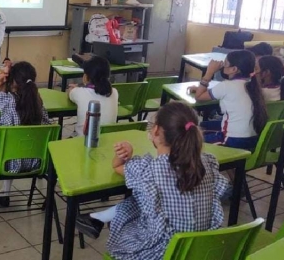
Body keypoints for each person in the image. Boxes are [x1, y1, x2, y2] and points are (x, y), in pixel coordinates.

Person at [75, 102, 229, 260]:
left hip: (163, 253)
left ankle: (99, 218)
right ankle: (98, 217)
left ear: (155, 130)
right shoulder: (207, 163)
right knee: (144, 199)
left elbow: (117, 167)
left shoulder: (148, 170)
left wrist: (126, 150)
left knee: (137, 207)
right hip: (201, 249)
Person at [0, 61, 50, 202]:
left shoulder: (7, 100)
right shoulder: (39, 103)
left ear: (13, 81)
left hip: (5, 162)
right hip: (36, 162)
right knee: (14, 146)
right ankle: (5, 193)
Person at [190, 50, 267, 150]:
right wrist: (206, 90)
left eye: (225, 64)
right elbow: (230, 93)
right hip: (252, 139)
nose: (222, 66)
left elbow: (199, 97)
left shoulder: (226, 86)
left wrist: (209, 72)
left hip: (232, 140)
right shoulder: (252, 85)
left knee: (191, 140)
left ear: (234, 69)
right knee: (201, 126)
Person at [67, 55, 118, 136]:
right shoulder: (114, 92)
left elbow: (70, 91)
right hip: (108, 141)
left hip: (84, 142)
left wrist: (78, 86)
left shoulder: (79, 92)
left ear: (86, 76)